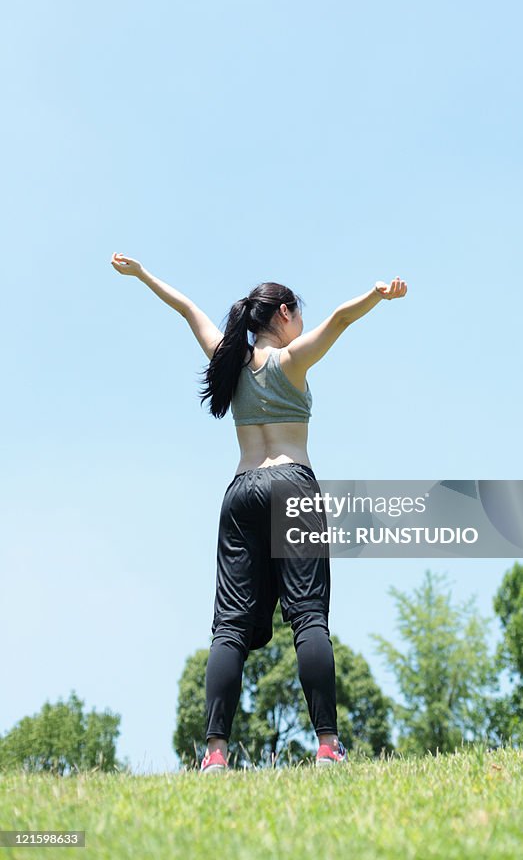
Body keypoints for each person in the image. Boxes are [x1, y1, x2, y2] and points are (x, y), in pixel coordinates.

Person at [110, 253, 407, 772]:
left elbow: (186, 309)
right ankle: (327, 745)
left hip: (241, 491)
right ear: (286, 313)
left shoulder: (229, 358)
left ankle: (216, 754)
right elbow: (339, 318)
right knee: (309, 618)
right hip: (292, 484)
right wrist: (377, 294)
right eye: (298, 315)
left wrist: (140, 274)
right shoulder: (292, 362)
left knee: (229, 629)